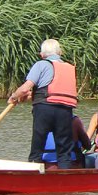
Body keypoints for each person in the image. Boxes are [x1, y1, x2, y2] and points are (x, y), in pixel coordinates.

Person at [9, 38, 81, 167]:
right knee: (64, 151)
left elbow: (26, 88)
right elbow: (55, 90)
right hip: (65, 111)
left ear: (42, 55)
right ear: (60, 52)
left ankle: (33, 172)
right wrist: (31, 96)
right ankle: (65, 177)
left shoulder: (41, 64)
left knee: (38, 146)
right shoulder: (69, 68)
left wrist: (14, 97)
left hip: (44, 110)